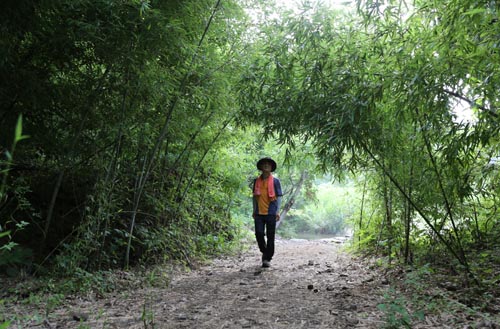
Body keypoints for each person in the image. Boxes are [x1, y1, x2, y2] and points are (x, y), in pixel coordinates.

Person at [252, 157, 283, 268]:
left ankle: (267, 258)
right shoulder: (256, 181)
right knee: (259, 234)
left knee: (270, 236)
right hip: (259, 212)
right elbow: (254, 197)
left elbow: (279, 197)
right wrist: (254, 209)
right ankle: (265, 251)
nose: (266, 166)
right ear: (261, 167)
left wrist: (278, 211)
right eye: (264, 164)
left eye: (268, 164)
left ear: (271, 168)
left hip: (271, 212)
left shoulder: (275, 181)